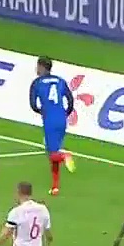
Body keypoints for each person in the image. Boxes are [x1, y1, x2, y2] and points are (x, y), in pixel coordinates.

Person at [29, 57, 77, 195]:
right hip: (62, 118)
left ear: (42, 67)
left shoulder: (37, 83)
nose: (37, 69)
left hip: (49, 120)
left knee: (53, 154)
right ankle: (55, 186)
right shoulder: (60, 80)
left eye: (38, 66)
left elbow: (33, 104)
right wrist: (65, 113)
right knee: (54, 150)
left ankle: (64, 156)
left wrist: (42, 111)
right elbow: (70, 100)